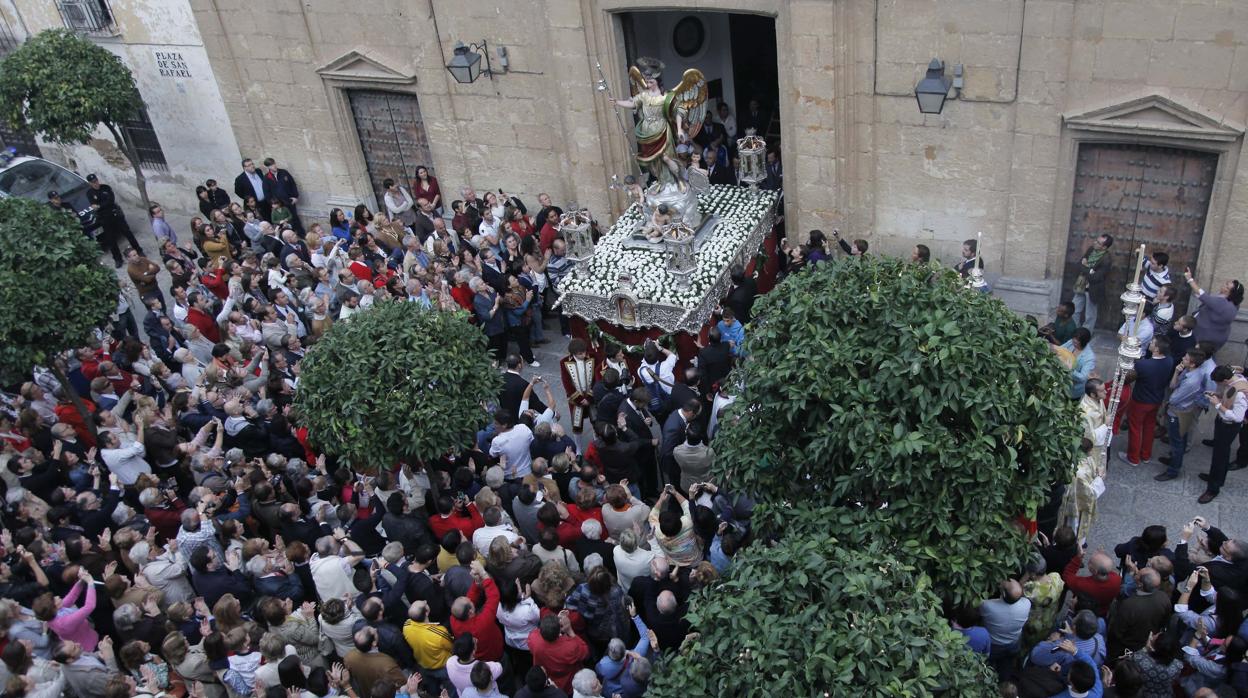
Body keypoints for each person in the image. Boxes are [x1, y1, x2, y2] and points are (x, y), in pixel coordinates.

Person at [1197, 365, 1248, 504]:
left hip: (1229, 426)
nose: (1219, 385)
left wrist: (1218, 405)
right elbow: (1227, 394)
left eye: (1219, 383)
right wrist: (1218, 395)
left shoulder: (1240, 393)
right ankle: (1215, 477)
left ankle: (1213, 488)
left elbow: (1237, 417)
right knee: (1218, 454)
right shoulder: (1234, 380)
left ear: (1225, 380)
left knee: (1220, 456)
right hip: (1222, 422)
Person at [1121, 336, 1174, 467]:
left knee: (1135, 428)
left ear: (1156, 349)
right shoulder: (1169, 361)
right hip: (1156, 400)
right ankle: (1145, 455)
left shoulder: (1143, 365)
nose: (1150, 343)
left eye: (1152, 343)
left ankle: (1133, 457)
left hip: (1140, 401)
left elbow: (1129, 377)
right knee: (1149, 427)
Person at [87, 173, 146, 267]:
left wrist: (100, 205)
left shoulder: (106, 188)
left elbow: (111, 201)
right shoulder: (90, 193)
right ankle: (118, 259)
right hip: (104, 218)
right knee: (111, 239)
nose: (95, 183)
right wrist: (101, 205)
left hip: (115, 214)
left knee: (127, 232)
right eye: (93, 182)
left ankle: (138, 250)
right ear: (90, 183)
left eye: (96, 181)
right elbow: (94, 206)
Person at [1183, 269, 1244, 353]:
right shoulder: (1233, 304)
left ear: (1228, 291)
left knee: (1196, 356)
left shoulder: (1222, 303)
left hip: (1204, 337)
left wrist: (1189, 279)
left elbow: (1201, 294)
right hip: (1215, 337)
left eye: (1226, 285)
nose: (1223, 284)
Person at [560, 339, 601, 434]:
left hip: (591, 396)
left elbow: (597, 378)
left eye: (584, 352)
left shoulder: (593, 357)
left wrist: (589, 397)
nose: (584, 355)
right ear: (573, 353)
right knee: (577, 424)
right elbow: (566, 383)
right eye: (580, 354)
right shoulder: (564, 362)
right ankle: (578, 447)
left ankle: (597, 441)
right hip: (576, 399)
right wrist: (580, 399)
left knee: (596, 421)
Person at [1073, 233, 1114, 328]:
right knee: (1074, 310)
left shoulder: (1106, 260)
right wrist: (1090, 270)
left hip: (1092, 290)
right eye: (1096, 240)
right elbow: (1079, 265)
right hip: (1081, 286)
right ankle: (1074, 330)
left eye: (1098, 243)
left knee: (1090, 315)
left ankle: (1085, 334)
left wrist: (1086, 267)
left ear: (1104, 247)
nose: (1095, 243)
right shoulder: (1091, 250)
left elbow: (1096, 277)